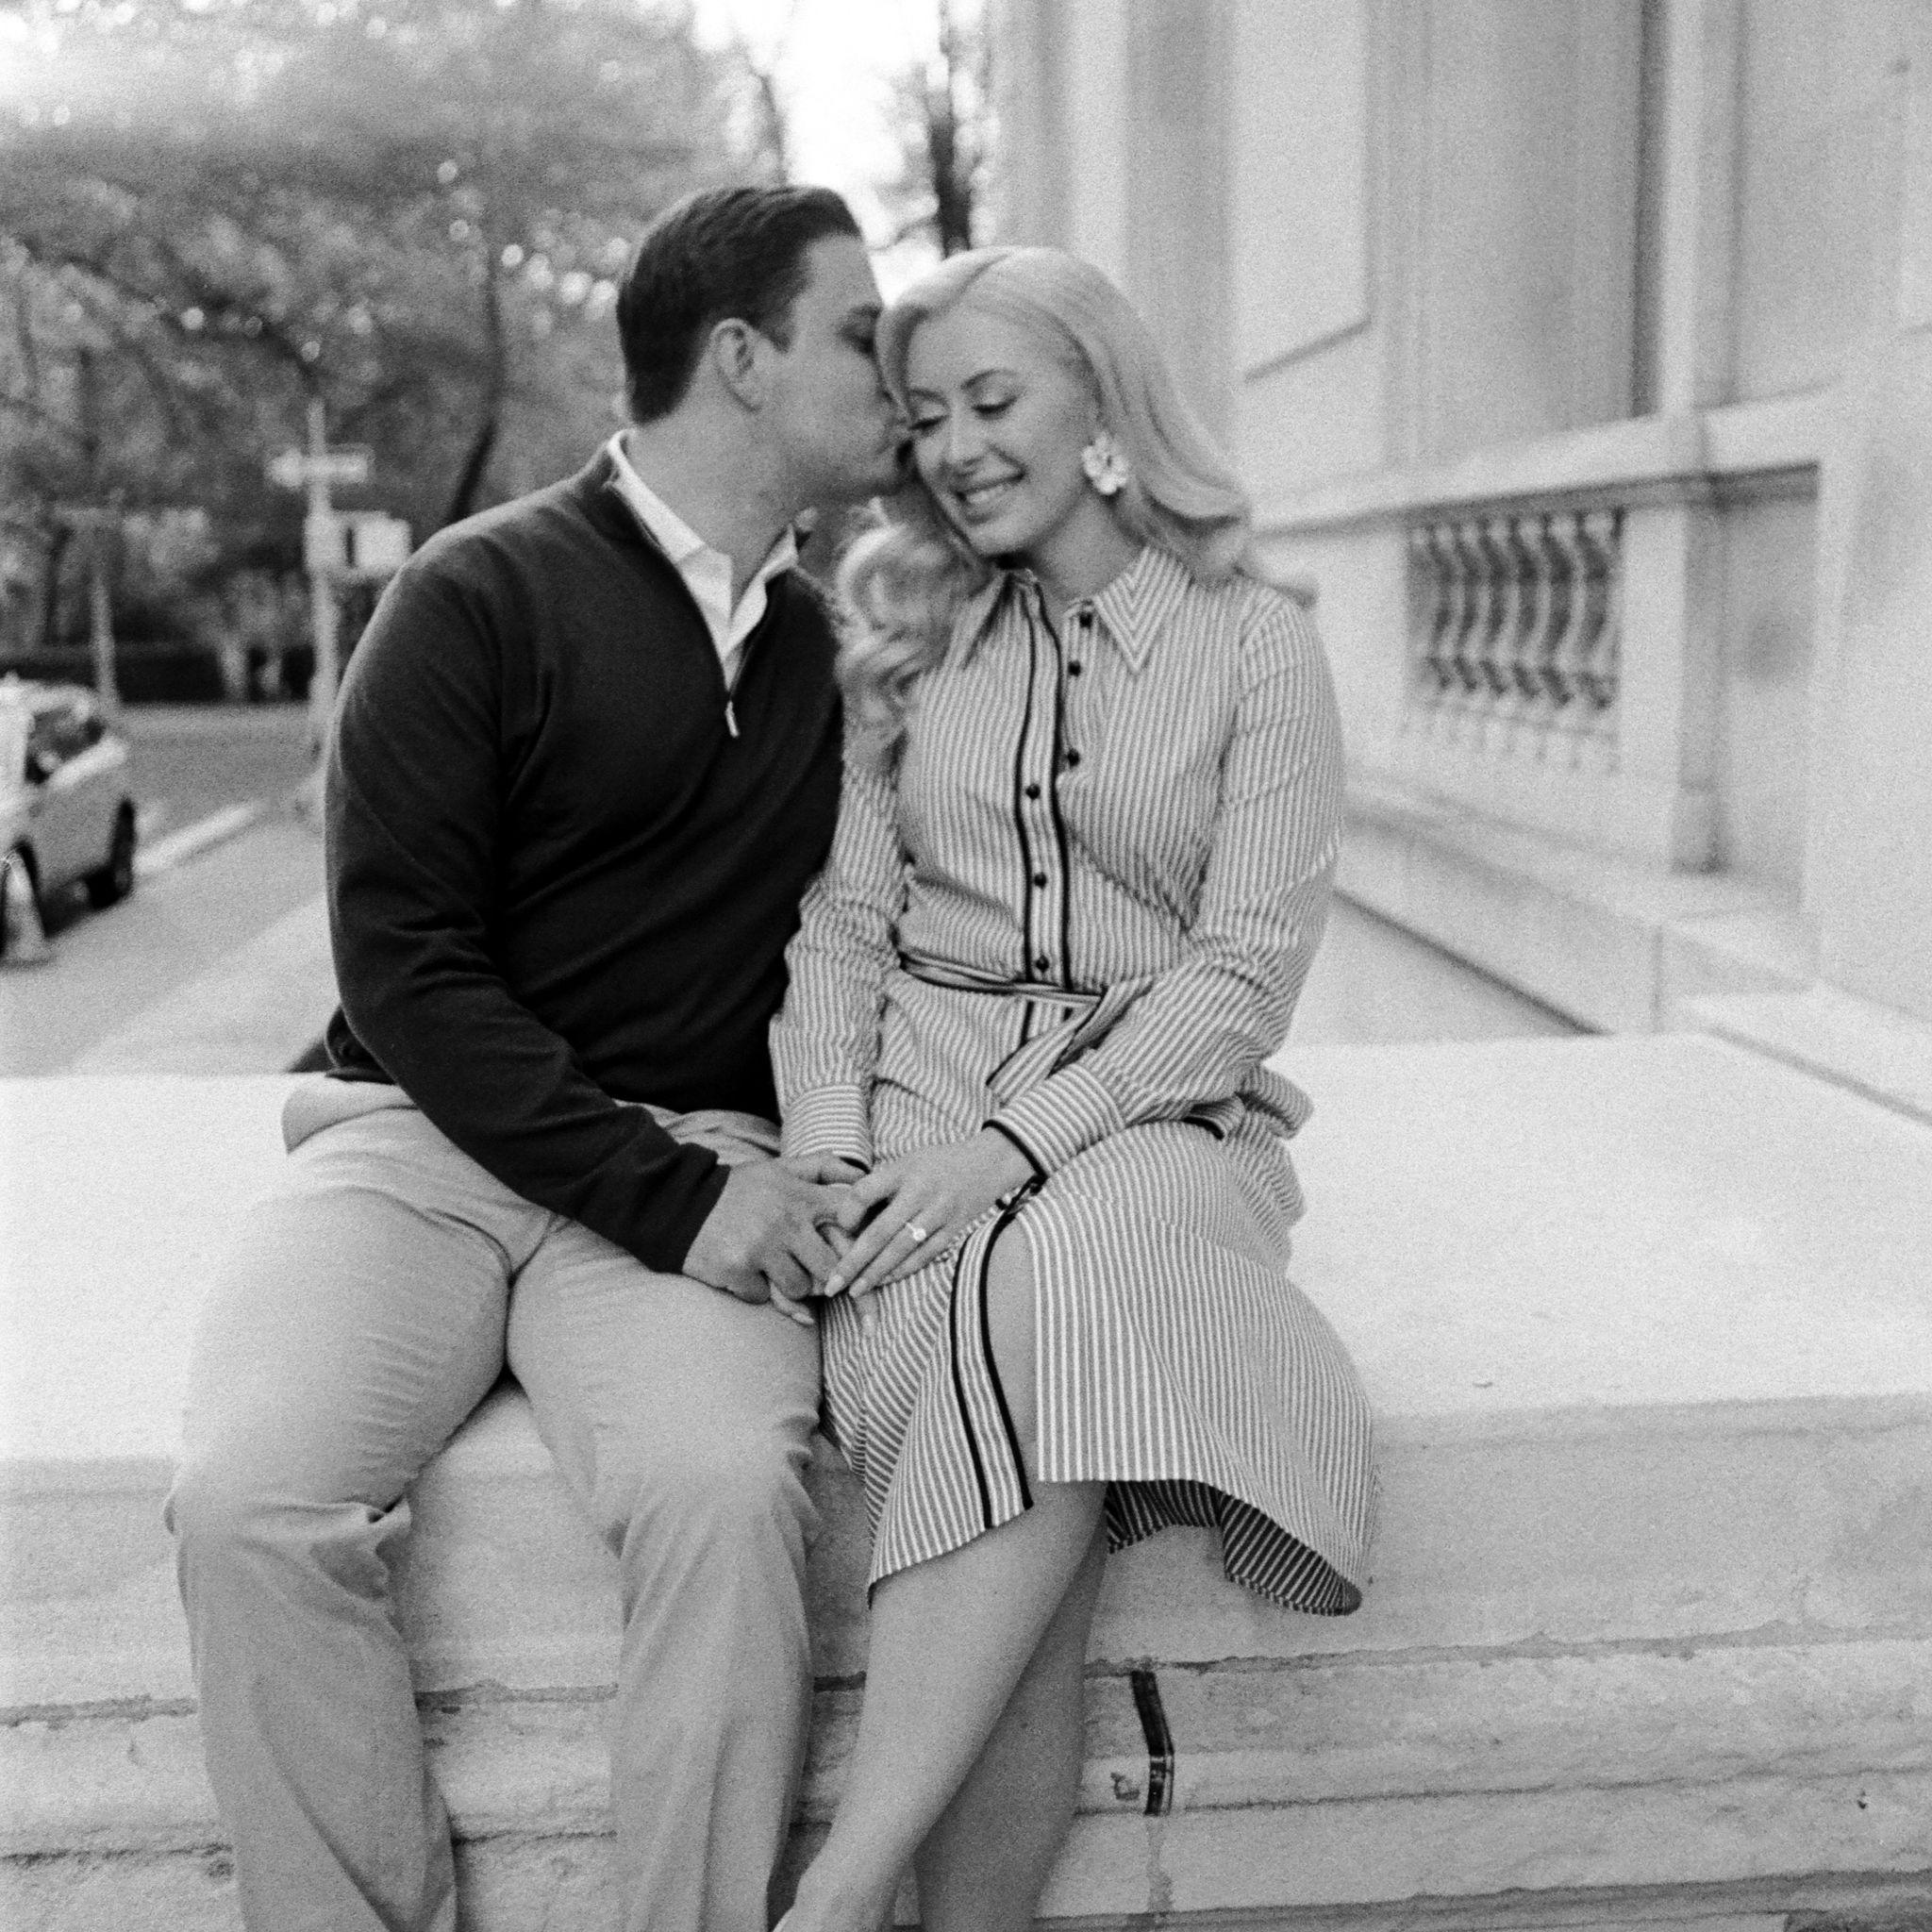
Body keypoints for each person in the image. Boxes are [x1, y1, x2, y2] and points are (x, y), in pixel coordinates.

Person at [164, 184, 908, 1932]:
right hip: (423, 1143)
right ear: (742, 358)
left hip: (699, 1147)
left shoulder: (837, 656)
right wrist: (673, 1199)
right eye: (863, 337)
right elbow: (404, 966)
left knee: (729, 1498)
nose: (900, 374)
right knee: (249, 1506)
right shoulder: (474, 591)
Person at [769, 245, 1377, 1932]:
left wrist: (1012, 1145)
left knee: (1068, 1274)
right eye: (927, 416)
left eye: (994, 400)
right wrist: (830, 1155)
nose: (956, 448)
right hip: (914, 1101)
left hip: (1158, 1114)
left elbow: (1240, 978)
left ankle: (842, 1891)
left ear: (1104, 406)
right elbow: (843, 931)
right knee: (996, 1425)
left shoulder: (1260, 646)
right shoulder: (906, 645)